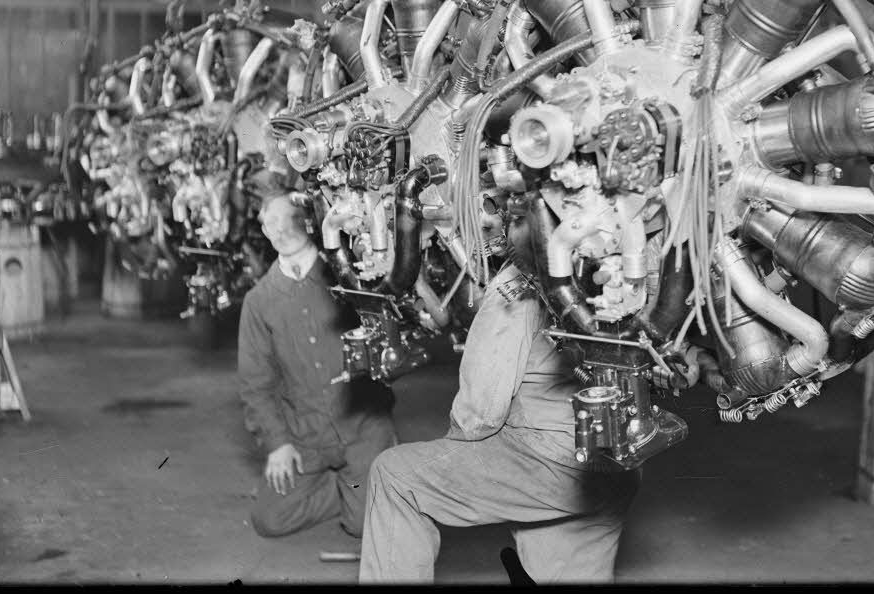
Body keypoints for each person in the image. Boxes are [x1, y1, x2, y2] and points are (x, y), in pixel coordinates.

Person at [358, 262, 641, 583]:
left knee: (395, 476)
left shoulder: (517, 283)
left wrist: (452, 450)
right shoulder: (618, 269)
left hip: (549, 465)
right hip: (619, 458)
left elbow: (481, 414)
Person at [238, 194, 397, 539]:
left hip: (361, 427)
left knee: (362, 525)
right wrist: (278, 444)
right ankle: (348, 489)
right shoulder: (259, 301)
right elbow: (255, 384)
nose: (282, 230)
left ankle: (362, 487)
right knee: (270, 518)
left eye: (290, 219)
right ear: (264, 231)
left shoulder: (349, 279)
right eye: (272, 223)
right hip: (306, 437)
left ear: (310, 220)